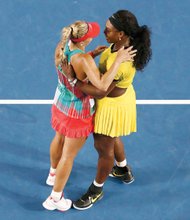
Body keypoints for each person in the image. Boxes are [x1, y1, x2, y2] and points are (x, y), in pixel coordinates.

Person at [42, 20, 136, 212]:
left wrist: (91, 55)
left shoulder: (60, 47)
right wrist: (118, 60)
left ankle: (52, 173)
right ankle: (55, 198)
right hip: (77, 111)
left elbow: (70, 69)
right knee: (68, 156)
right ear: (85, 40)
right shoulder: (84, 60)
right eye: (92, 33)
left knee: (58, 137)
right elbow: (101, 87)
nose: (98, 34)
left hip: (60, 103)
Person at [72, 10, 152, 210]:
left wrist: (74, 82)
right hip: (117, 99)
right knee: (113, 138)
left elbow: (100, 91)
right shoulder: (118, 45)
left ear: (121, 34)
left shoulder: (123, 63)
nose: (104, 33)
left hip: (112, 106)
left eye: (108, 30)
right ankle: (123, 170)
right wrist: (93, 58)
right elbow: (103, 77)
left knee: (103, 149)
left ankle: (96, 190)